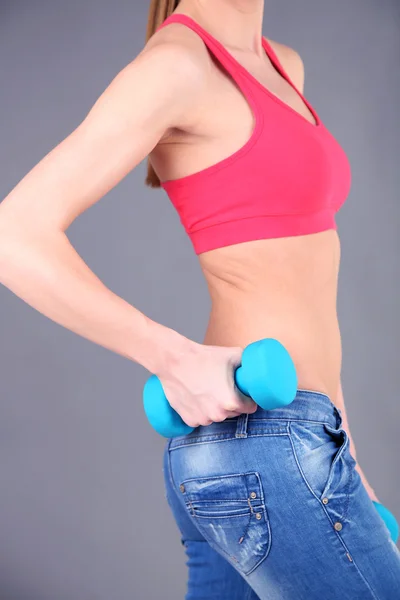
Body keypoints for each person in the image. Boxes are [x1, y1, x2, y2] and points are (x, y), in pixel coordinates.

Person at [0, 0, 399, 598]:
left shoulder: (281, 64)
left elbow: (307, 291)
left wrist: (354, 465)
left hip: (299, 438)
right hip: (263, 444)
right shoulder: (177, 66)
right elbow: (14, 234)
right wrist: (172, 358)